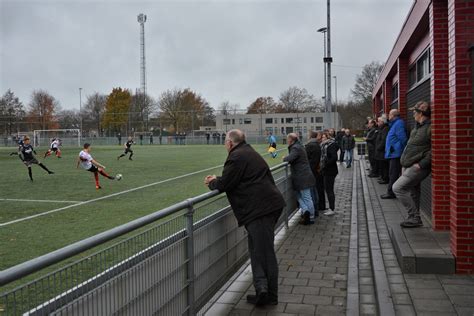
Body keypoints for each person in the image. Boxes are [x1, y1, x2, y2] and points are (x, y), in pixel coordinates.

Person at [205, 129, 285, 307]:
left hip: (260, 210)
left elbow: (226, 183)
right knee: (258, 251)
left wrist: (212, 182)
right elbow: (236, 178)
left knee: (264, 253)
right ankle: (261, 289)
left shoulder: (236, 156)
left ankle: (270, 295)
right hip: (264, 207)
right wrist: (218, 179)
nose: (225, 144)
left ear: (230, 143)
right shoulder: (247, 152)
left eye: (225, 141)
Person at [394, 101, 432, 228]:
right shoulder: (417, 127)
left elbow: (435, 149)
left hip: (417, 167)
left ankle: (414, 216)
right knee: (413, 192)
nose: (413, 114)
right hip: (408, 165)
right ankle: (415, 219)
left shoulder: (430, 128)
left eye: (415, 112)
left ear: (421, 113)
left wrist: (421, 164)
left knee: (398, 188)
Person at [283, 133, 316, 225]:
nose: (287, 141)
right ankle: (306, 211)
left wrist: (284, 158)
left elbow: (290, 158)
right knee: (299, 195)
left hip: (303, 176)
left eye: (287, 139)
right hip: (302, 176)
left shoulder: (296, 148)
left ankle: (310, 217)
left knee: (306, 197)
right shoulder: (298, 146)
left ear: (291, 140)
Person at [381, 109, 407, 199]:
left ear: (393, 115)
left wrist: (401, 150)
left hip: (396, 154)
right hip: (393, 153)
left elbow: (403, 138)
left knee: (393, 174)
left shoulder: (399, 124)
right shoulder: (394, 124)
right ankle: (392, 191)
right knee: (392, 173)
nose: (388, 116)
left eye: (390, 115)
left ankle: (391, 193)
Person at [320, 131, 339, 216]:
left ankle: (332, 208)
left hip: (330, 171)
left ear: (327, 138)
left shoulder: (330, 145)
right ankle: (331, 207)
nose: (322, 139)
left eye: (323, 137)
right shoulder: (325, 145)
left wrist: (325, 164)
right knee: (328, 189)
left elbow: (334, 157)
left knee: (329, 190)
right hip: (328, 170)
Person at [305, 131, 321, 217]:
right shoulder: (316, 144)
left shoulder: (311, 145)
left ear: (310, 136)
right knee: (314, 191)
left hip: (311, 172)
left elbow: (307, 159)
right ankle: (316, 210)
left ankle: (313, 212)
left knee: (312, 193)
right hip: (314, 171)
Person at [375, 115, 390, 184]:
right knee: (382, 166)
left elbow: (384, 140)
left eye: (379, 121)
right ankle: (383, 177)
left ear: (382, 122)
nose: (377, 123)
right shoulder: (381, 128)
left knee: (384, 166)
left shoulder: (385, 129)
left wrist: (379, 147)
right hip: (380, 151)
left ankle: (385, 179)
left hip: (382, 151)